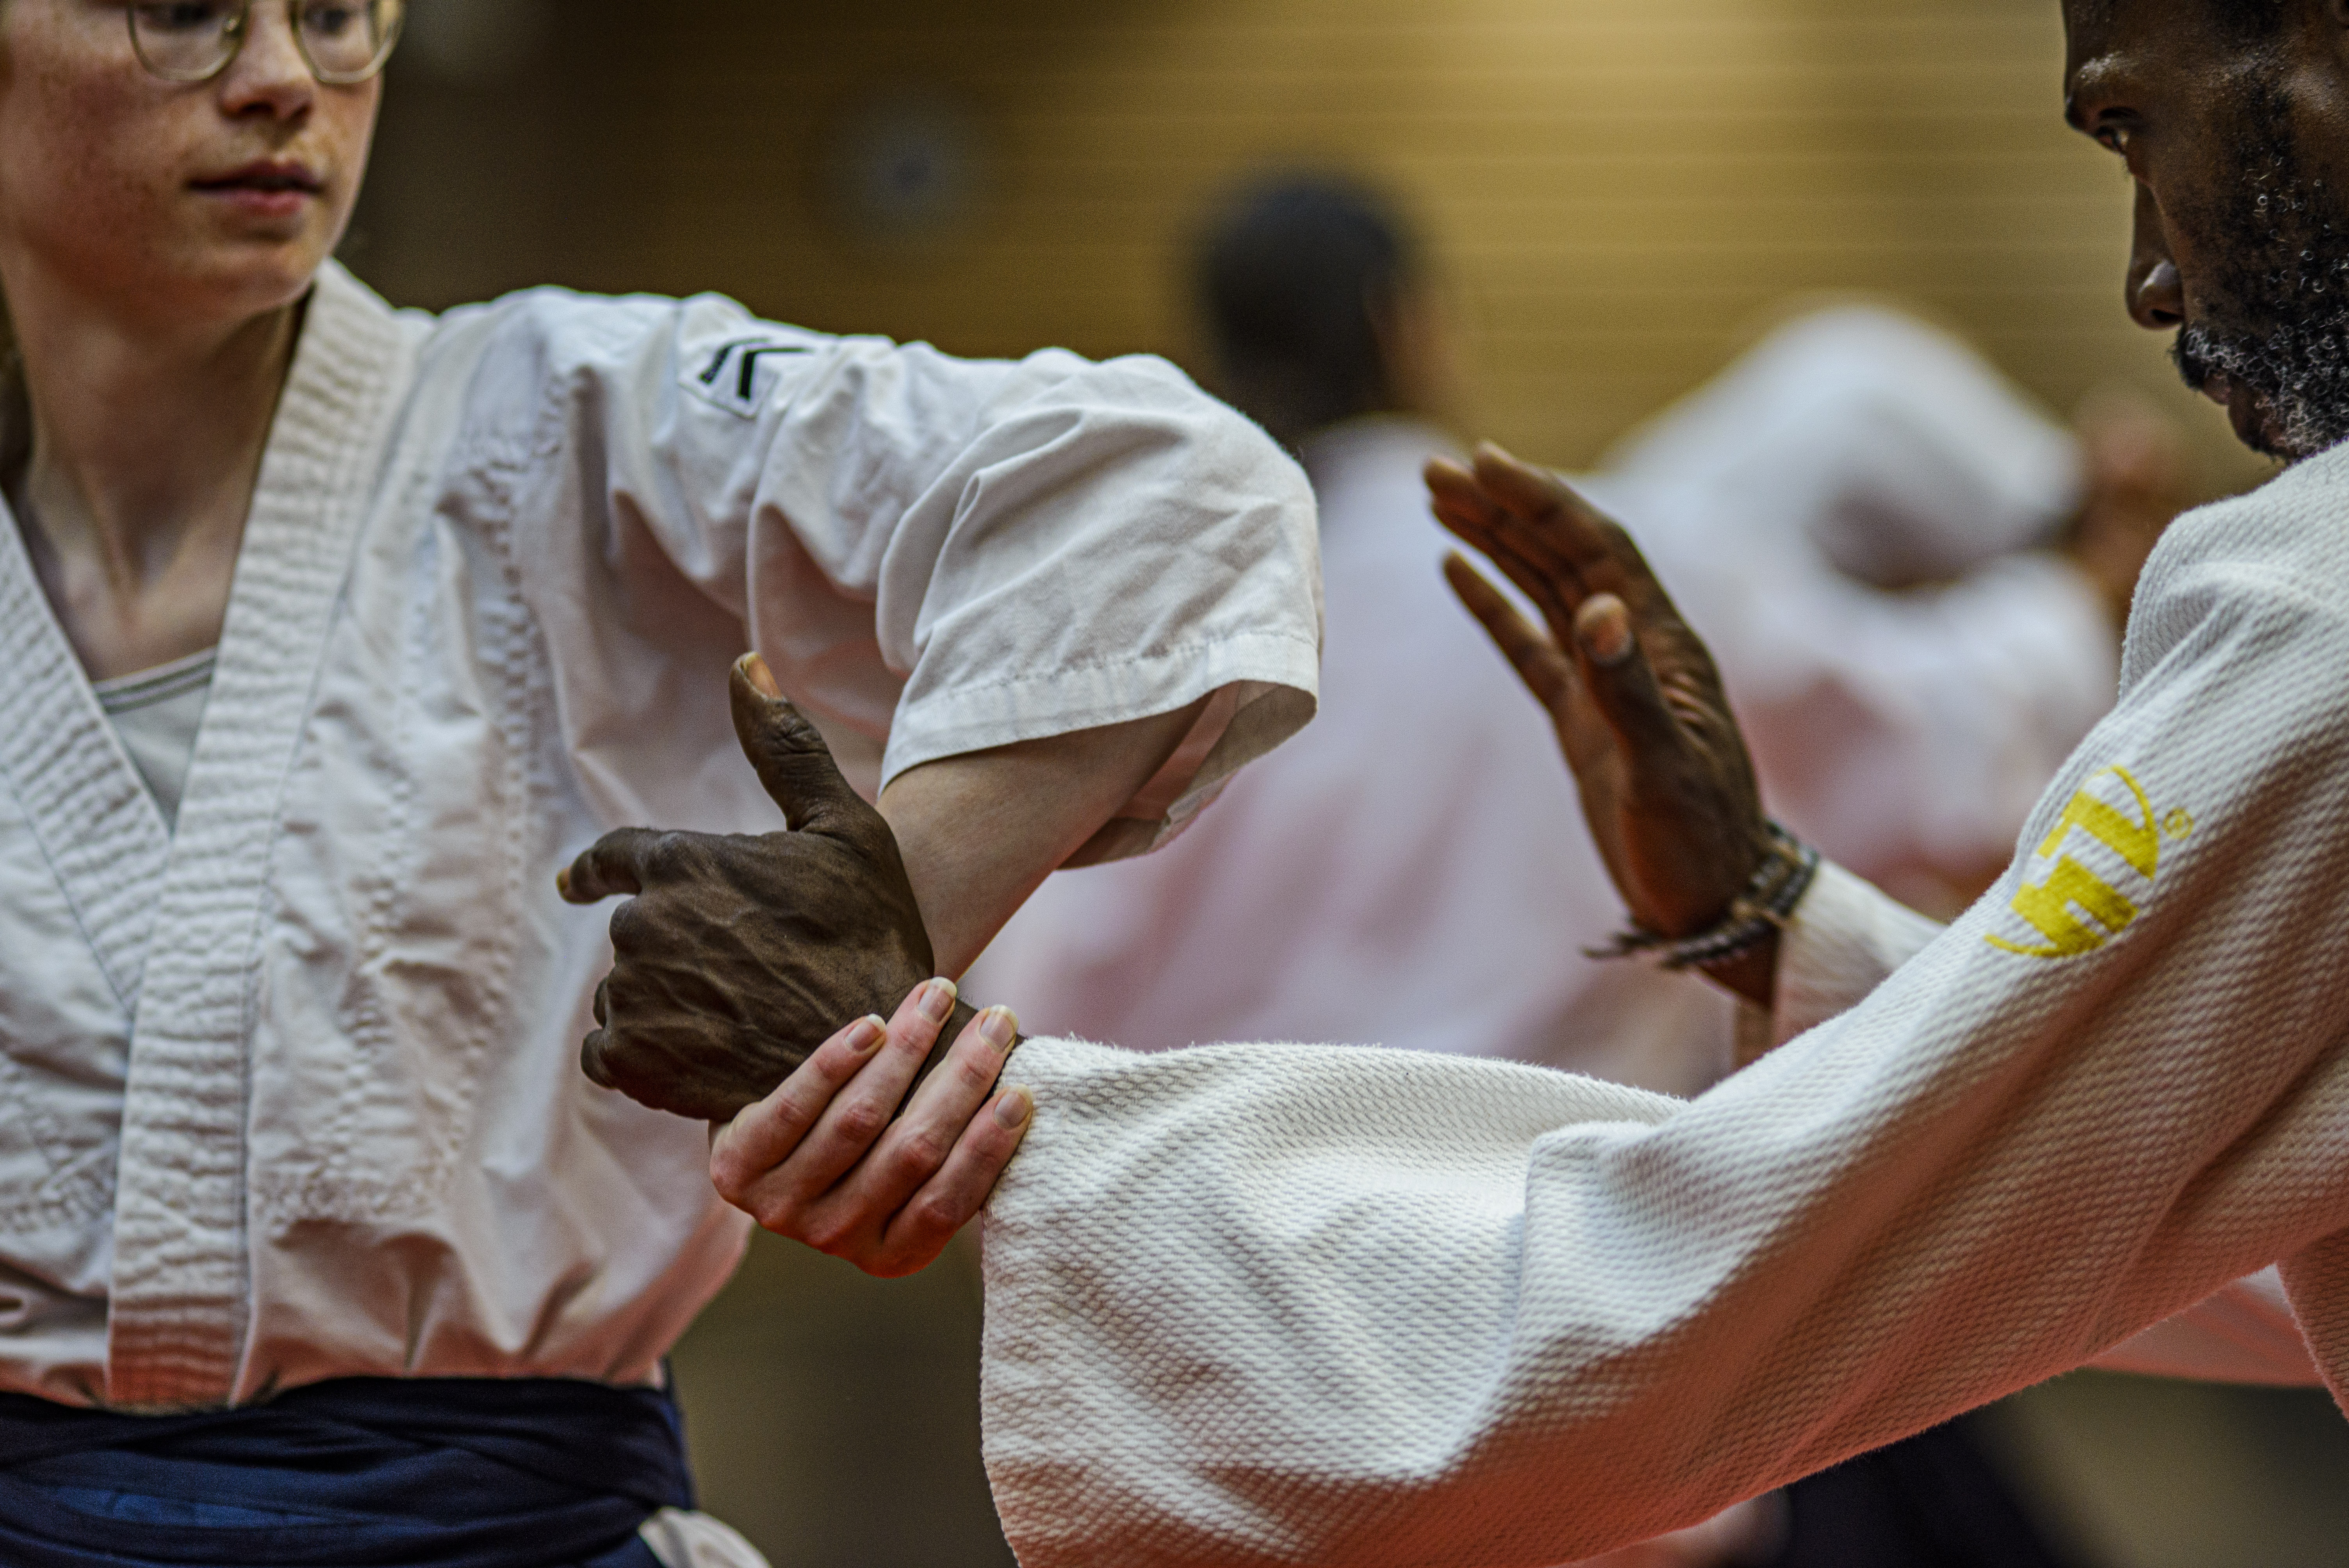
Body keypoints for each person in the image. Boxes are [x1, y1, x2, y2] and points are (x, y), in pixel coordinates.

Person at [617, 0, 2349, 1561]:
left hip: (1411, 1340)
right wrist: (1798, 869)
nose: (2146, 276)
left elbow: (1902, 1191)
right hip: (1489, 1351)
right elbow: (1970, 778)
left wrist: (935, 1084)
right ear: (1411, 323)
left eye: (2128, 125)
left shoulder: (1137, 669)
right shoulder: (1633, 559)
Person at [0, 3, 1321, 1565]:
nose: (288, 77)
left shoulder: (564, 416)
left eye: (339, 13)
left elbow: (1172, 491)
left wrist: (875, 964)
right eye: (184, 9)